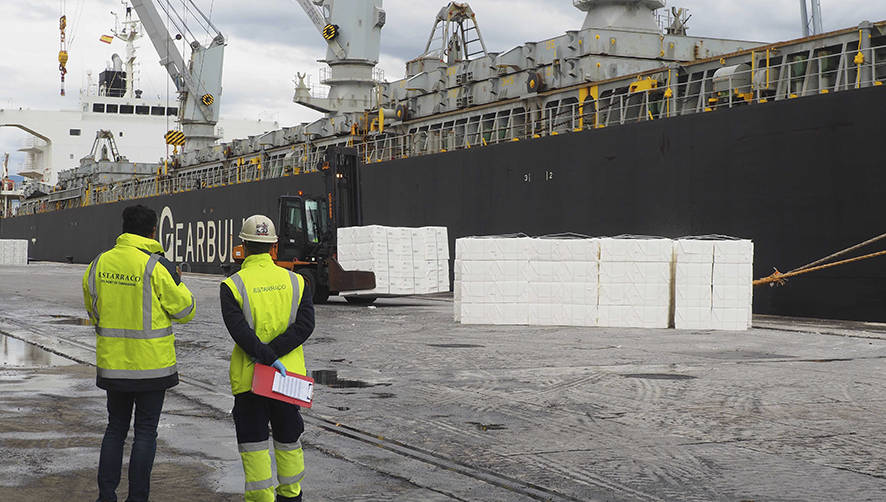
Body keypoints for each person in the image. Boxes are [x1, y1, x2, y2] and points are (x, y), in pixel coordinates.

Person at [83, 204, 196, 502]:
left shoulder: (99, 263)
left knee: (115, 429)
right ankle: (138, 498)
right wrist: (178, 281)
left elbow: (93, 309)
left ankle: (106, 496)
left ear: (123, 228)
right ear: (153, 231)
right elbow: (185, 311)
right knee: (146, 432)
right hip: (152, 368)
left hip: (114, 366)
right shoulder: (156, 267)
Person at [221, 214, 315, 502]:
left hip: (250, 382)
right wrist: (275, 355)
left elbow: (240, 333)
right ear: (274, 248)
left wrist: (263, 355)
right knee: (289, 442)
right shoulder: (297, 282)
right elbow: (305, 326)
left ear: (243, 247)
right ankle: (291, 495)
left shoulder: (232, 286)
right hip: (287, 380)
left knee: (254, 447)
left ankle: (261, 498)